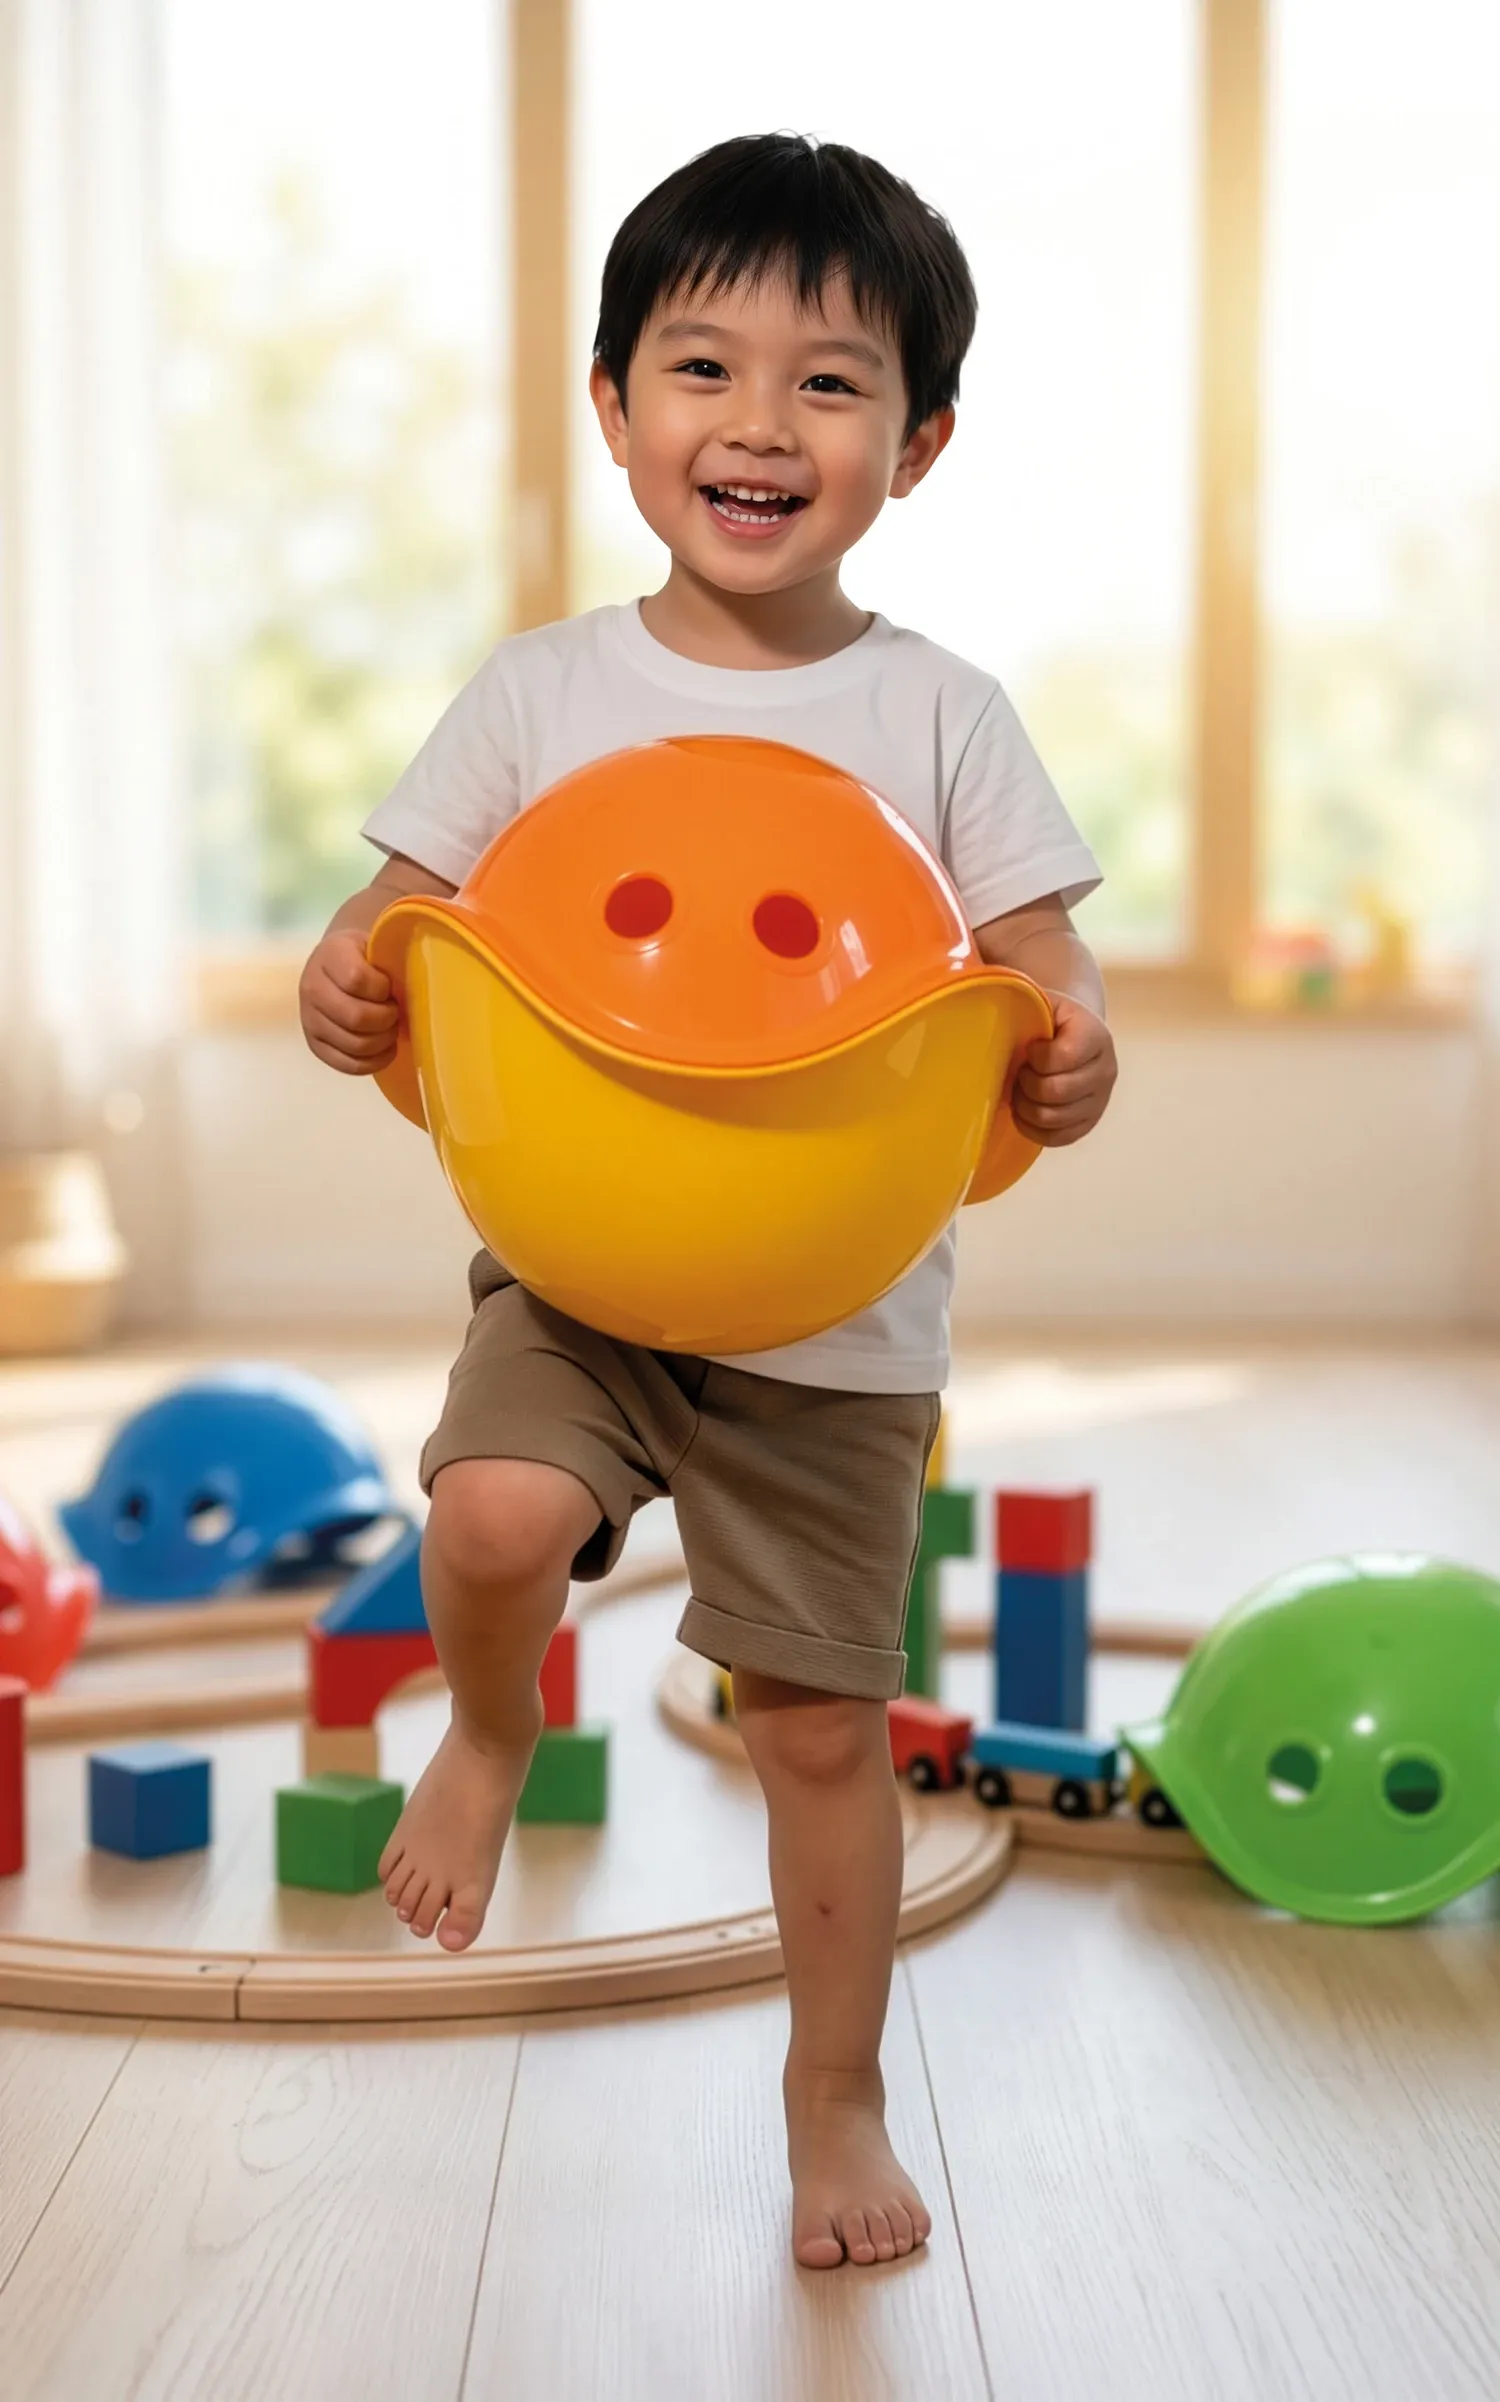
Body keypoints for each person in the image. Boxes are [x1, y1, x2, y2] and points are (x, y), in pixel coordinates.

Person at [298, 131, 1117, 2272]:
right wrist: (343, 973)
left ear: (917, 446)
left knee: (819, 1728)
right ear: (614, 406)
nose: (760, 423)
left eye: (830, 384)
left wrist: (1074, 1044)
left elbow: (1045, 968)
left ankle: (833, 2094)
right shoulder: (542, 692)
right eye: (703, 366)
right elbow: (399, 922)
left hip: (835, 1317)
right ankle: (492, 1723)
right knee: (491, 1515)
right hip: (576, 1269)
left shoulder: (941, 714)